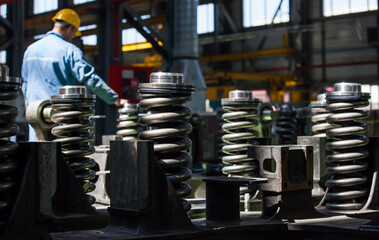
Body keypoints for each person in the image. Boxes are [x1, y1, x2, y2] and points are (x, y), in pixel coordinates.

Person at [21, 8, 127, 140]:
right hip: (61, 115)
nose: (72, 37)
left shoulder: (31, 50)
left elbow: (25, 84)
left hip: (36, 115)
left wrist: (31, 108)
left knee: (38, 155)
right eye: (74, 33)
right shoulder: (69, 50)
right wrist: (114, 99)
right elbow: (90, 78)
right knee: (63, 155)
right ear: (69, 28)